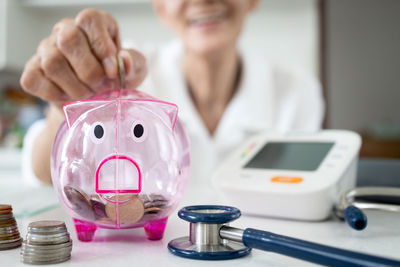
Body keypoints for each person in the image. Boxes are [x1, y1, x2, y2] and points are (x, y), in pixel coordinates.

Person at [20, 0, 324, 186]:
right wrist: (69, 107)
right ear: (161, 7)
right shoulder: (125, 79)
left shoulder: (298, 93)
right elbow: (43, 173)